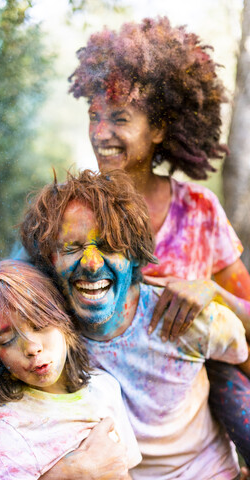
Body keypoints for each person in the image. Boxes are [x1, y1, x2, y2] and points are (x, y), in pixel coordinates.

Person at [67, 16, 250, 466]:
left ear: (161, 128)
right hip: (105, 451)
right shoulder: (73, 214)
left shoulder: (199, 211)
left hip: (195, 451)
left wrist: (213, 292)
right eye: (94, 116)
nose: (100, 133)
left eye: (120, 119)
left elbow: (247, 319)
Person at [19, 169, 248, 480]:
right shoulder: (43, 339)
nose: (91, 263)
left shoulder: (187, 315)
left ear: (135, 257)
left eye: (109, 245)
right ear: (48, 260)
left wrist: (218, 294)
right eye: (72, 248)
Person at [0, 259, 141, 480]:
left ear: (64, 319)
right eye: (7, 339)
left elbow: (123, 471)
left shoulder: (104, 388)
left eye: (40, 325)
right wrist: (73, 472)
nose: (32, 348)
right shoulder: (3, 431)